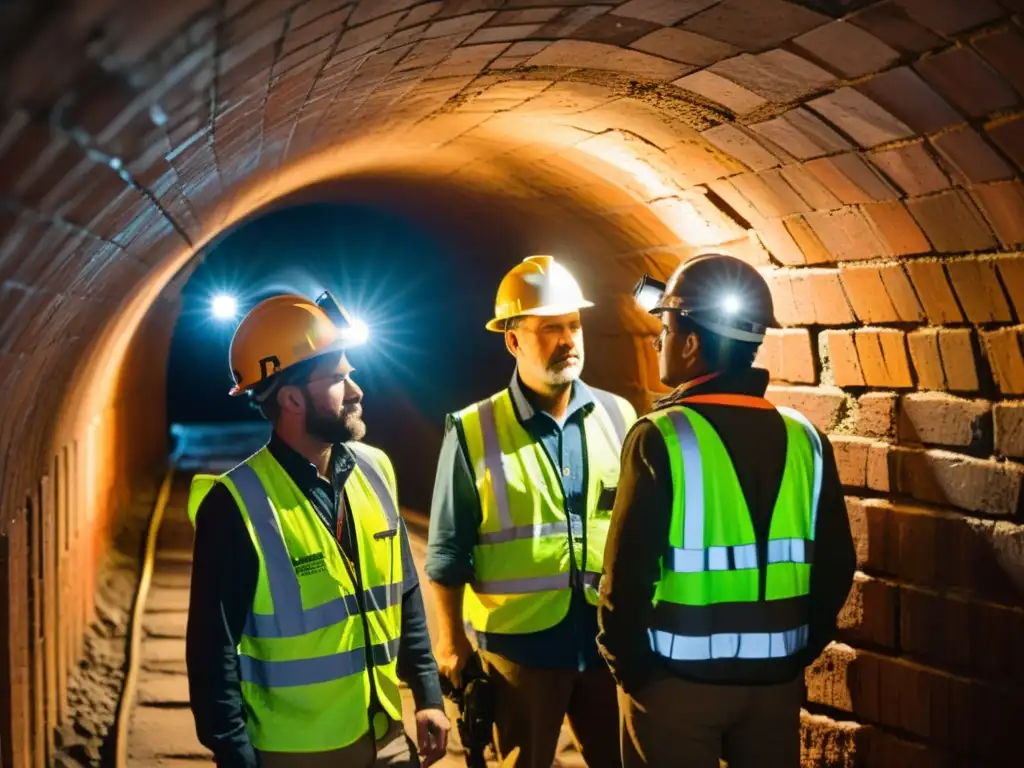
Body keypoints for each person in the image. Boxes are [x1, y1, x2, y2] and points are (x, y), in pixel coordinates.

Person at [598, 254, 856, 768]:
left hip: (674, 687)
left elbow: (624, 580)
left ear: (691, 345)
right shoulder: (806, 438)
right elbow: (836, 566)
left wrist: (630, 668)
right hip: (774, 688)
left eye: (666, 328)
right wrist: (793, 653)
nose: (659, 341)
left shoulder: (662, 436)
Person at [185, 292, 450, 768]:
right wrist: (234, 753)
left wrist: (428, 693)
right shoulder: (236, 504)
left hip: (384, 732)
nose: (356, 390)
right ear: (291, 399)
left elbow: (405, 592)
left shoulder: (376, 469)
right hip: (296, 750)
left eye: (352, 374)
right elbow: (211, 649)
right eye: (338, 379)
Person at [426, 255, 638, 768]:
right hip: (519, 650)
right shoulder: (474, 430)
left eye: (573, 325)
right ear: (513, 340)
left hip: (606, 643)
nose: (568, 340)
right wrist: (451, 645)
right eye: (549, 329)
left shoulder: (621, 415)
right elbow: (448, 551)